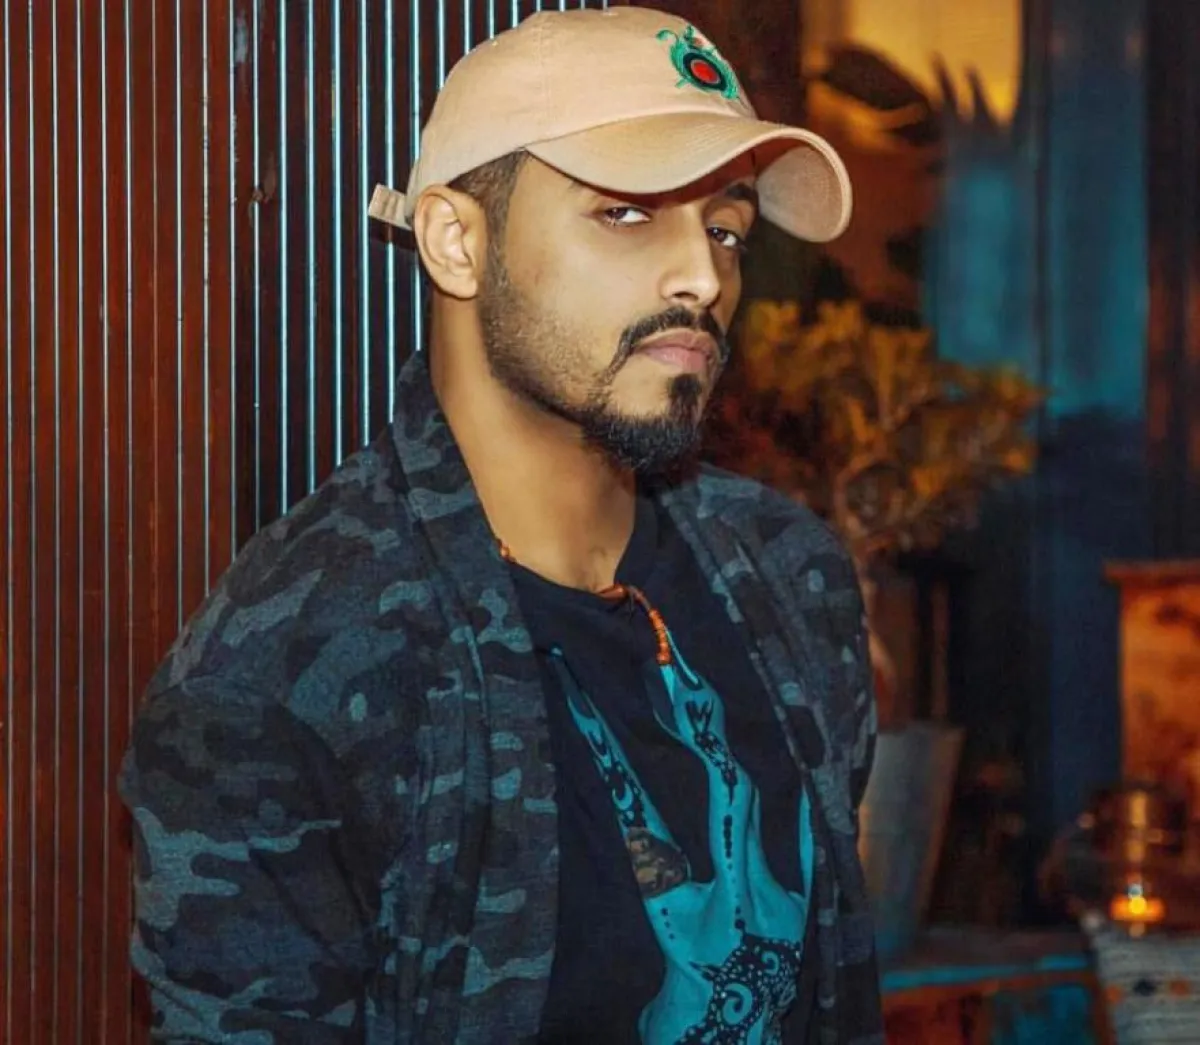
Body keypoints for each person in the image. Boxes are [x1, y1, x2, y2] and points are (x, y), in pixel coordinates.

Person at [119, 7, 881, 1043]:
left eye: (726, 228)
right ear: (456, 241)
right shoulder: (288, 672)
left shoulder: (792, 577)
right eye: (626, 212)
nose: (704, 277)